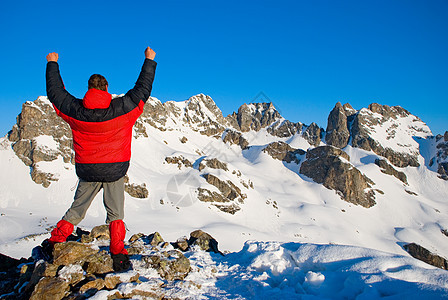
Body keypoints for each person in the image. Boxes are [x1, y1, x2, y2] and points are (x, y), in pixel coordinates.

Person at [42, 47, 157, 272]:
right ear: (106, 88)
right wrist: (149, 60)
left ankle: (56, 241)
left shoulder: (75, 111)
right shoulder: (122, 109)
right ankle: (118, 254)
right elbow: (142, 90)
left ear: (88, 89)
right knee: (116, 213)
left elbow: (56, 94)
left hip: (87, 170)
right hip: (115, 170)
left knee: (77, 209)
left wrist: (52, 64)